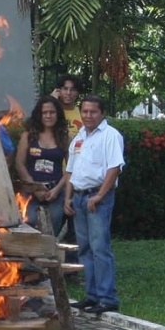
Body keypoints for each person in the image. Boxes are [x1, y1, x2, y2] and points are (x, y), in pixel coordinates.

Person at [66, 96, 125, 316]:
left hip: (97, 198)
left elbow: (115, 167)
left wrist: (100, 195)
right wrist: (67, 198)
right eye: (85, 111)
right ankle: (91, 295)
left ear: (102, 114)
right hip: (79, 198)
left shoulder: (110, 135)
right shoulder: (80, 137)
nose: (88, 115)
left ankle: (107, 298)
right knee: (85, 248)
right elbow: (71, 170)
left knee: (100, 248)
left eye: (93, 112)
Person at [17, 97, 70, 233]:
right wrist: (35, 188)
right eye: (44, 112)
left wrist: (57, 190)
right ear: (39, 115)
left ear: (58, 114)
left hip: (55, 191)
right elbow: (19, 164)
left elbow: (71, 169)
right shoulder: (28, 136)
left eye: (52, 112)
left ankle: (50, 253)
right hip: (31, 191)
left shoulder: (65, 138)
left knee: (53, 224)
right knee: (30, 222)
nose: (48, 116)